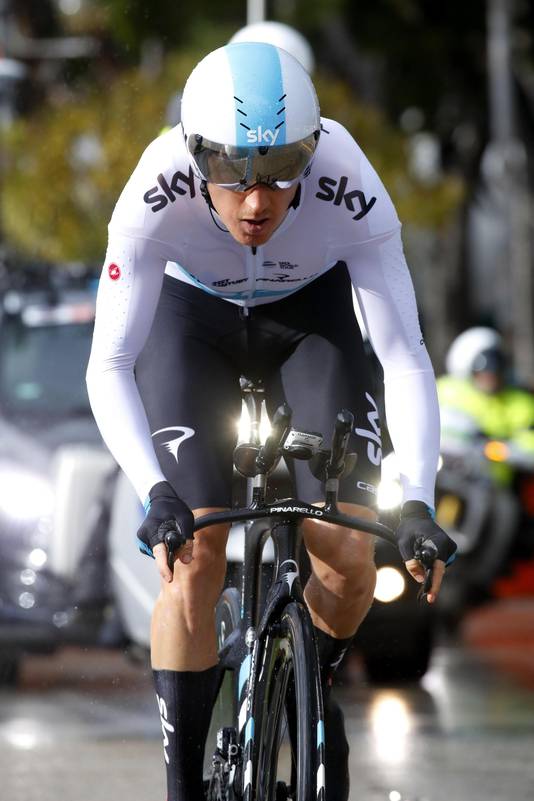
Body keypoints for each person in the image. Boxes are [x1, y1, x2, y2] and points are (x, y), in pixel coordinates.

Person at [86, 42, 456, 801]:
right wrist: (157, 490)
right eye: (230, 170)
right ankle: (182, 785)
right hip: (192, 326)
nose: (257, 199)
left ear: (313, 151)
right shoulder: (153, 191)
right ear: (194, 156)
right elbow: (111, 363)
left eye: (284, 167)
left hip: (308, 321)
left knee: (351, 556)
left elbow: (406, 357)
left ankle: (311, 688)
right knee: (194, 555)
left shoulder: (351, 181)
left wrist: (414, 495)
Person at [438, 326, 534, 482]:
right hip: (445, 471)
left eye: (495, 373)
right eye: (483, 373)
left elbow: (529, 445)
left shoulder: (521, 404)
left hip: (491, 480)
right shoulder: (446, 390)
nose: (489, 379)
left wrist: (496, 448)